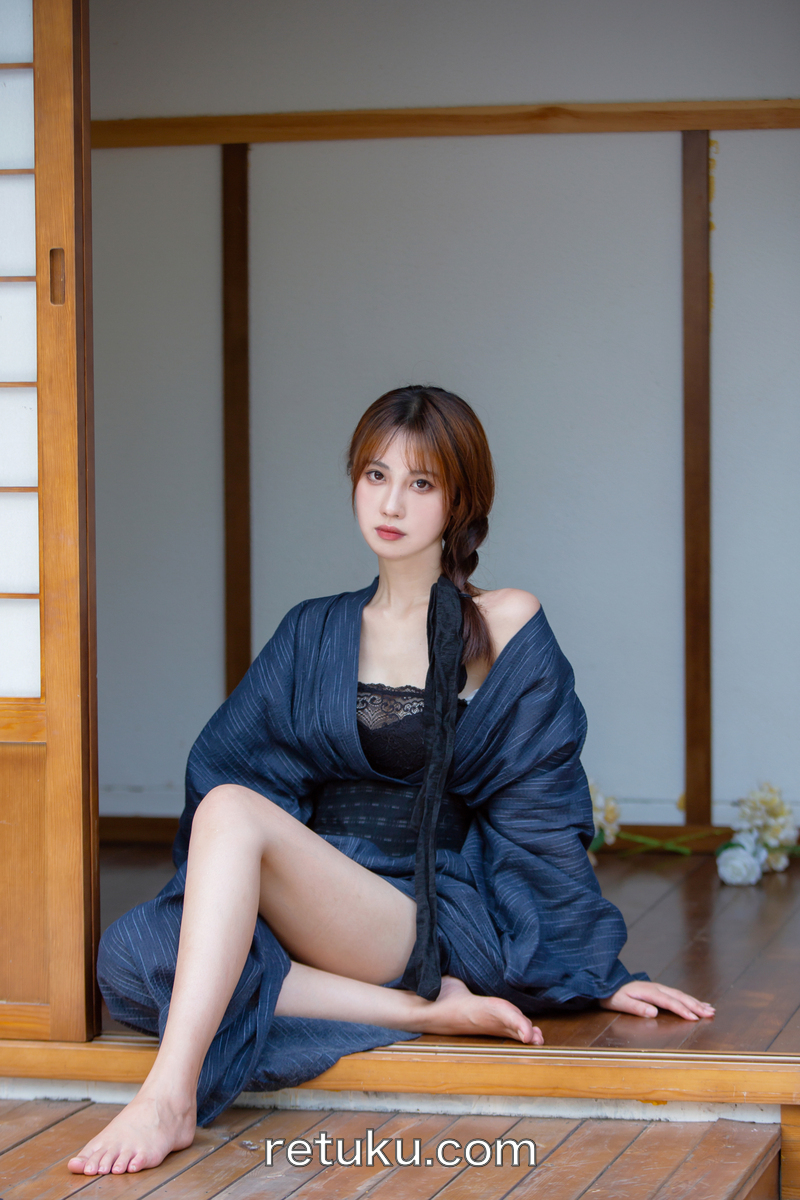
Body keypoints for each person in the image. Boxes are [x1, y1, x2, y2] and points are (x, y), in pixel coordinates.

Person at [69, 386, 714, 1176]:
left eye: (421, 483)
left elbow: (539, 809)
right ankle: (420, 1008)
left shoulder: (504, 620)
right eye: (375, 476)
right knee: (133, 955)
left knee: (231, 823)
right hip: (319, 898)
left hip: (424, 908)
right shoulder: (313, 628)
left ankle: (169, 1096)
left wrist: (591, 974)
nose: (392, 503)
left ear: (460, 499)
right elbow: (231, 767)